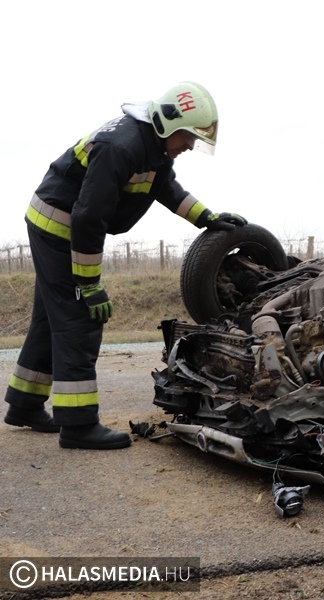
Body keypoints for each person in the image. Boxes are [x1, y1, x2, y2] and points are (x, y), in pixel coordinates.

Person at [3, 81, 246, 450]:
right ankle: (79, 425)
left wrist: (207, 218)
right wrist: (89, 285)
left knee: (49, 318)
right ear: (168, 123)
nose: (191, 146)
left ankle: (24, 404)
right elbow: (88, 218)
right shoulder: (122, 147)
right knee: (79, 319)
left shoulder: (153, 148)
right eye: (188, 137)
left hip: (62, 223)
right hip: (59, 228)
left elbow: (167, 190)